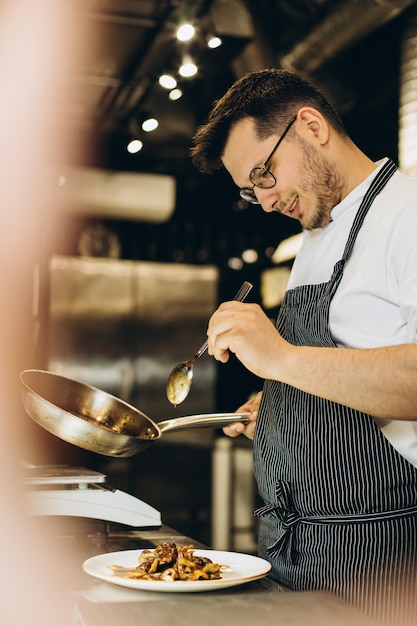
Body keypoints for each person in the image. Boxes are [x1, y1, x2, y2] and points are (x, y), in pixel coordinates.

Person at [190, 68, 417, 625]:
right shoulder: (313, 239)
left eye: (264, 174)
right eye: (250, 188)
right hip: (293, 546)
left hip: (379, 552)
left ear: (311, 126)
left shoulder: (407, 215)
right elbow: (346, 367)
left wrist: (282, 358)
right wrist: (285, 405)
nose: (264, 201)